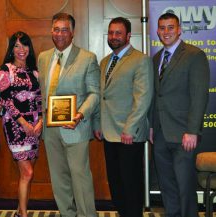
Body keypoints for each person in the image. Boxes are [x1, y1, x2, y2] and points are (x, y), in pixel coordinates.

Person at [38, 12, 100, 217]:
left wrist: (80, 115)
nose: (60, 33)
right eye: (56, 29)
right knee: (59, 179)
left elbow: (94, 93)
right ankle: (67, 214)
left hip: (76, 128)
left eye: (65, 29)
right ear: (51, 31)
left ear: (73, 32)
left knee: (80, 179)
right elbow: (42, 92)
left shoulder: (87, 58)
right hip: (50, 129)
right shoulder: (44, 57)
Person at [149, 13, 210, 217]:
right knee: (167, 187)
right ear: (157, 31)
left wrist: (192, 131)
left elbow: (199, 96)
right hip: (159, 134)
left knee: (185, 188)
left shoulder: (194, 55)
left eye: (170, 27)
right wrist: (151, 126)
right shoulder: (157, 58)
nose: (166, 32)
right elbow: (156, 96)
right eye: (162, 28)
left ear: (179, 29)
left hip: (184, 135)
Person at [93, 17, 153, 217]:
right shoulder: (104, 62)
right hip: (109, 133)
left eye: (118, 33)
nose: (114, 37)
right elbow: (103, 97)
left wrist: (130, 128)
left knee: (131, 185)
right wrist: (98, 123)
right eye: (111, 33)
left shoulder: (141, 60)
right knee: (116, 184)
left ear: (128, 36)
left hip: (129, 135)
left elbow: (142, 98)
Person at [0, 31, 42, 217]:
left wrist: (40, 122)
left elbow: (40, 99)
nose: (21, 49)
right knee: (28, 173)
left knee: (27, 174)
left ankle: (19, 211)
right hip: (15, 126)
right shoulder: (5, 70)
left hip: (35, 127)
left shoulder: (34, 71)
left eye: (24, 45)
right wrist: (23, 122)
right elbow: (5, 100)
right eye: (16, 45)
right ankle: (23, 215)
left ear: (29, 48)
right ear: (11, 49)